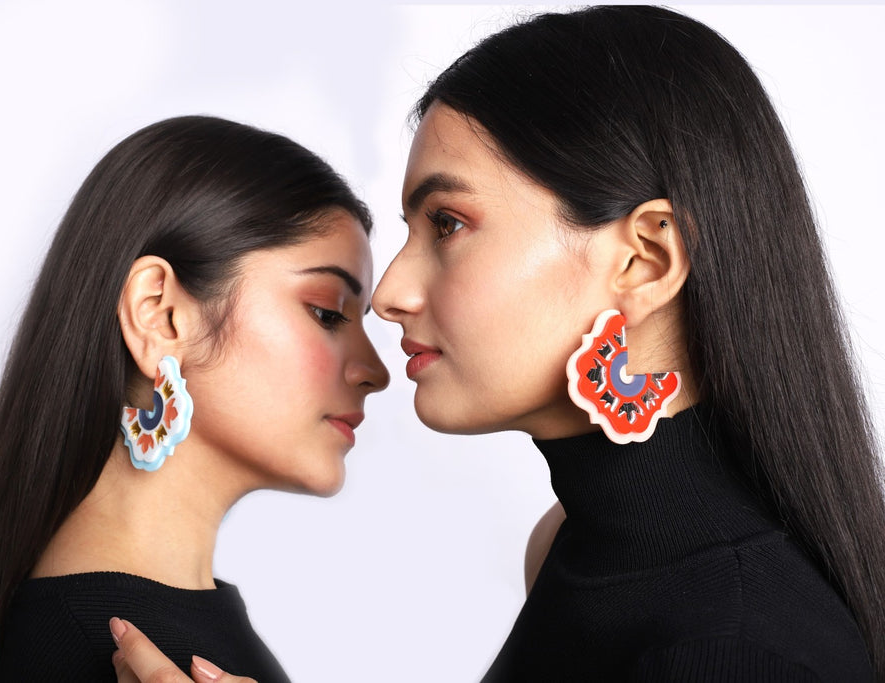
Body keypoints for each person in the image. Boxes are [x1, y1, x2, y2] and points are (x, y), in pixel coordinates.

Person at [111, 6, 885, 682]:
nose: (389, 293)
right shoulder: (569, 546)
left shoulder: (738, 647)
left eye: (447, 224)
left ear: (644, 260)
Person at [0, 115, 389, 682]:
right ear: (158, 314)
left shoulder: (166, 630)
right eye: (327, 313)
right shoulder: (96, 652)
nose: (376, 372)